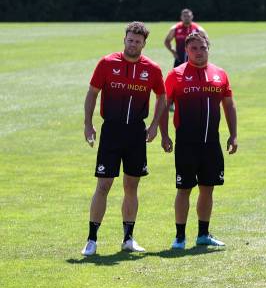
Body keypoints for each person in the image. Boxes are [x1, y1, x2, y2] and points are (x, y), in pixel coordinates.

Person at [81, 22, 167, 256]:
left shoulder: (152, 69)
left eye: (137, 41)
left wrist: (154, 126)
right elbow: (92, 94)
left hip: (136, 134)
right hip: (111, 131)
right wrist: (88, 124)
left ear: (144, 44)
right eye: (130, 40)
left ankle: (128, 238)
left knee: (131, 186)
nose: (133, 44)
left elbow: (162, 96)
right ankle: (91, 239)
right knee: (103, 185)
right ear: (124, 39)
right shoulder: (107, 63)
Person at [160, 31, 238, 250]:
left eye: (202, 48)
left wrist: (233, 134)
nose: (198, 52)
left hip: (211, 142)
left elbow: (229, 105)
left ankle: (203, 234)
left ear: (208, 48)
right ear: (186, 50)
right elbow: (164, 107)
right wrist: (164, 135)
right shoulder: (176, 75)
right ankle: (180, 237)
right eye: (193, 48)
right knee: (184, 189)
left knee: (208, 188)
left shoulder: (219, 74)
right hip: (186, 142)